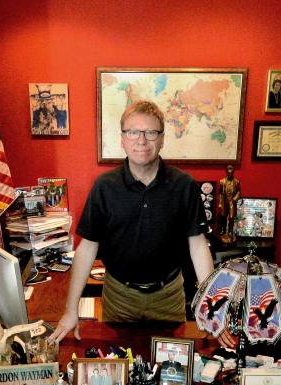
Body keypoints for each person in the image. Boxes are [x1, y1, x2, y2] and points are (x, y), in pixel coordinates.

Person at [50, 100, 215, 340]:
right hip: (119, 297)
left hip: (168, 296)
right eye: (133, 132)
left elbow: (198, 246)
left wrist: (211, 308)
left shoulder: (184, 185)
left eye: (150, 132)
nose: (142, 140)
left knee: (172, 366)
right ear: (122, 139)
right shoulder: (104, 187)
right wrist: (70, 309)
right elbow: (86, 248)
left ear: (162, 139)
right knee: (119, 365)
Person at [216, 164, 241, 243]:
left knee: (231, 217)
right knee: (223, 217)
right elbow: (220, 193)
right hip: (224, 202)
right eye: (228, 169)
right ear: (226, 171)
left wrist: (235, 198)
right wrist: (220, 203)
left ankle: (230, 231)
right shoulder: (222, 181)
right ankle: (223, 231)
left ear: (233, 171)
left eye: (231, 169)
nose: (230, 171)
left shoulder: (237, 182)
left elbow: (239, 192)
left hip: (232, 202)